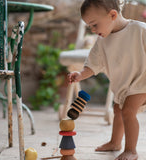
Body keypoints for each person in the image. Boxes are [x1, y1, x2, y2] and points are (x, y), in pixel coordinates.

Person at [68, 0, 146, 160]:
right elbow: (94, 63)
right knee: (118, 110)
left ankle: (131, 150)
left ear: (112, 15)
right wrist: (81, 74)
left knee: (128, 111)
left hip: (141, 82)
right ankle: (115, 143)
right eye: (89, 26)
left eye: (94, 24)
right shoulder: (102, 41)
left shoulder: (139, 30)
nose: (92, 29)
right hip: (123, 85)